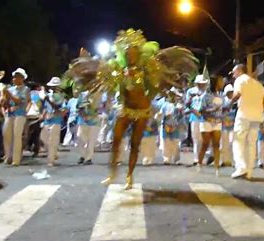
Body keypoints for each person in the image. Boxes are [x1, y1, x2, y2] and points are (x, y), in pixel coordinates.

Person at [65, 29, 197, 190]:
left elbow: (157, 86)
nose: (131, 56)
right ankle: (112, 173)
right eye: (128, 53)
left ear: (139, 54)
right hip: (126, 109)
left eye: (134, 53)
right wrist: (88, 61)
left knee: (135, 144)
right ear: (124, 55)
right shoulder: (119, 71)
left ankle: (129, 175)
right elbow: (104, 78)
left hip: (142, 111)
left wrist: (150, 97)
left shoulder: (149, 69)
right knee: (116, 141)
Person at [230, 64, 264, 179]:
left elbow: (237, 94)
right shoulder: (257, 83)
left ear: (239, 71)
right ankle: (249, 171)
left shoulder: (240, 80)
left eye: (234, 72)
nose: (233, 75)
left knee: (238, 141)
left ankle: (241, 168)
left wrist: (229, 103)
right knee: (251, 143)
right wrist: (263, 112)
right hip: (257, 116)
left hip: (244, 115)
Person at [2, 68, 31, 166]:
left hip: (20, 114)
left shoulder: (25, 89)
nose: (15, 78)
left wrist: (9, 95)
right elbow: (6, 103)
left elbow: (20, 101)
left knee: (17, 136)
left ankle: (16, 159)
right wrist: (4, 97)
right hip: (10, 113)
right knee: (6, 134)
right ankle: (8, 156)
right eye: (14, 76)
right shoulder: (10, 89)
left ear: (22, 78)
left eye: (18, 77)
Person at [197, 77, 223, 176]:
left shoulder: (221, 96)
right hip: (206, 122)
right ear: (215, 83)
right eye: (220, 81)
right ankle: (199, 163)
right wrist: (212, 110)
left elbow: (223, 109)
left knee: (216, 144)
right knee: (205, 144)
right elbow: (201, 110)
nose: (222, 83)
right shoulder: (206, 96)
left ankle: (217, 167)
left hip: (217, 122)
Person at [41, 77, 66, 167]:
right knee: (44, 138)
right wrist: (42, 116)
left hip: (56, 120)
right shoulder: (48, 95)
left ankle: (50, 160)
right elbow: (45, 107)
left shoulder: (61, 96)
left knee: (52, 140)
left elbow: (59, 108)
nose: (52, 88)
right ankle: (54, 152)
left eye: (55, 86)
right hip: (47, 119)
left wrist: (49, 100)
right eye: (52, 86)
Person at [185, 75, 209, 165]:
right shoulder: (190, 91)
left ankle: (202, 157)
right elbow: (187, 104)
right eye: (199, 83)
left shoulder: (208, 92)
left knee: (204, 138)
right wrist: (191, 98)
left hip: (205, 117)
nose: (201, 85)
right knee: (196, 138)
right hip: (194, 117)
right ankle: (196, 158)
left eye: (203, 83)